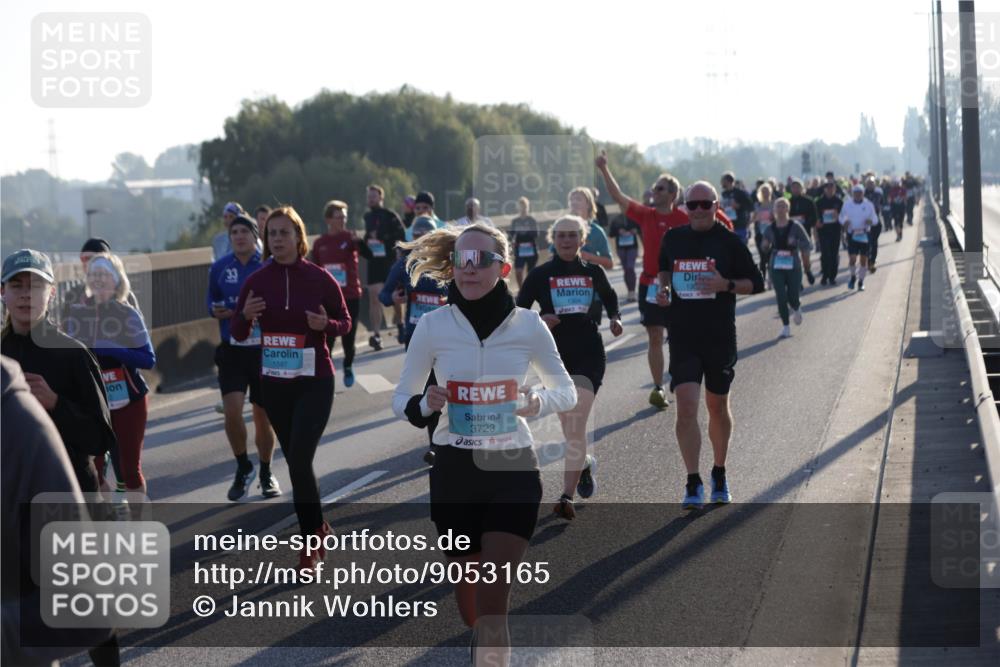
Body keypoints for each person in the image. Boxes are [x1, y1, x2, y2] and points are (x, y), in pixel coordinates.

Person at [392, 223, 576, 665]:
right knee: (471, 600)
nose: (468, 269)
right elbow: (401, 398)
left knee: (494, 600)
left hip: (512, 468)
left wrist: (534, 402)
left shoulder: (528, 326)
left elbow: (565, 391)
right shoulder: (433, 326)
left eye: (480, 261)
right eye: (461, 260)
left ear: (503, 268)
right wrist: (424, 402)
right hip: (455, 471)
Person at [232, 206, 352, 573]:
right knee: (299, 465)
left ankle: (308, 546)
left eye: (285, 232)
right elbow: (237, 333)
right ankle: (317, 525)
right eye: (272, 234)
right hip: (275, 385)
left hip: (315, 381)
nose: (278, 239)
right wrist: (246, 316)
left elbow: (345, 322)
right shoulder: (256, 280)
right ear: (266, 241)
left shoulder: (318, 278)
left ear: (300, 238)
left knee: (299, 459)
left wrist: (325, 323)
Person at [656, 182, 764, 509]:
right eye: (693, 204)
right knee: (686, 406)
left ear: (717, 205)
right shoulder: (673, 238)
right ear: (685, 206)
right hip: (683, 334)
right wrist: (663, 291)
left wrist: (725, 284)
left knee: (716, 406)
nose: (700, 210)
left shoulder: (729, 242)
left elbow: (756, 283)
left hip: (719, 335)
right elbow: (663, 268)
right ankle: (692, 480)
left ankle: (719, 471)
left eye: (706, 204)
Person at [1, 355, 114, 667]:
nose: (26, 300)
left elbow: (100, 436)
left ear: (51, 301)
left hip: (76, 480)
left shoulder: (15, 417)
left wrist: (56, 405)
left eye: (36, 298)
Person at [517, 215, 622, 520]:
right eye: (560, 235)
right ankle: (585, 462)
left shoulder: (593, 271)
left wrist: (614, 318)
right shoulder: (540, 275)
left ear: (582, 239)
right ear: (553, 239)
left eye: (572, 235)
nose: (566, 240)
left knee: (576, 423)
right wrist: (540, 321)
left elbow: (610, 296)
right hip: (554, 359)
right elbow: (520, 311)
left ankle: (566, 496)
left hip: (590, 355)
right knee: (570, 429)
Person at [0, 249, 116, 494]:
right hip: (11, 498)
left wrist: (56, 403)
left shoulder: (74, 353)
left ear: (51, 292)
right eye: (16, 285)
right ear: (2, 292)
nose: (25, 295)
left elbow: (101, 439)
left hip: (70, 493)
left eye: (35, 286)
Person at [596, 149, 686, 409]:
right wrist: (603, 169)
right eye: (654, 188)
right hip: (649, 284)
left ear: (671, 194)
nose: (653, 192)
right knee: (655, 336)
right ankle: (658, 387)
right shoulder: (647, 215)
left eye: (659, 188)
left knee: (679, 336)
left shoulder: (683, 218)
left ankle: (680, 378)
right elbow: (618, 197)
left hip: (679, 286)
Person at [64, 252, 156, 500]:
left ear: (116, 280)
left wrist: (113, 348)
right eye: (93, 274)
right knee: (93, 470)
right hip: (93, 399)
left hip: (130, 400)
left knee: (128, 470)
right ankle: (110, 522)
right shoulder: (77, 315)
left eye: (104, 274)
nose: (98, 279)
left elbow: (148, 359)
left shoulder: (128, 314)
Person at [207, 215, 281, 500]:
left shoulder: (268, 266)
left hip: (263, 350)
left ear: (255, 236)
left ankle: (266, 471)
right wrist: (221, 310)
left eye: (244, 232)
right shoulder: (219, 268)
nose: (239, 236)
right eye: (234, 232)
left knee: (263, 418)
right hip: (232, 350)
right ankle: (243, 466)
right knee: (233, 411)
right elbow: (211, 304)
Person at [381, 217, 449, 465]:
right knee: (426, 390)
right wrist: (395, 297)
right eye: (418, 236)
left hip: (445, 338)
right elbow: (384, 294)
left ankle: (438, 444)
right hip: (416, 337)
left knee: (439, 386)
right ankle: (435, 443)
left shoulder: (447, 264)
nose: (423, 242)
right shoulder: (403, 265)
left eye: (427, 236)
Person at [311, 200, 368, 388]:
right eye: (338, 217)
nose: (343, 220)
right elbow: (315, 270)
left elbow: (369, 255)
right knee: (327, 337)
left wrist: (360, 242)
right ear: (329, 220)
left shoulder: (350, 238)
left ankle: (348, 364)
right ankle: (325, 374)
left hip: (351, 294)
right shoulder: (320, 243)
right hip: (328, 298)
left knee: (348, 337)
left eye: (344, 216)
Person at [363, 185, 406, 350]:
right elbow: (368, 238)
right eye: (369, 197)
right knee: (374, 298)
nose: (371, 199)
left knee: (394, 295)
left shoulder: (390, 216)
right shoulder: (367, 217)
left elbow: (400, 236)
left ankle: (400, 324)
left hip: (389, 261)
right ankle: (376, 334)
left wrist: (383, 238)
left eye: (374, 196)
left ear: (381, 198)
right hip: (374, 262)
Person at [760, 198, 812, 338]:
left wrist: (796, 243)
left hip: (793, 263)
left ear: (788, 209)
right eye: (778, 206)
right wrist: (765, 246)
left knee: (792, 295)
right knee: (781, 296)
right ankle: (785, 326)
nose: (781, 209)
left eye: (783, 206)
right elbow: (764, 246)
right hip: (776, 264)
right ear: (774, 210)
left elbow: (807, 243)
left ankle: (796, 306)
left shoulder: (795, 226)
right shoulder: (770, 228)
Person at [839, 184, 877, 291]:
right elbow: (841, 217)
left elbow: (875, 219)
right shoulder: (847, 204)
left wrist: (871, 221)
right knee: (852, 258)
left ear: (863, 194)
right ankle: (852, 277)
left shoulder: (868, 204)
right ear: (852, 194)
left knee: (863, 260)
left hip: (864, 234)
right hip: (852, 234)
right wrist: (844, 222)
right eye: (855, 193)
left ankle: (861, 282)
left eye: (860, 193)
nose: (858, 195)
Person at [788, 180, 818, 285]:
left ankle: (808, 270)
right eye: (793, 187)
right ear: (791, 189)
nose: (795, 189)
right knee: (795, 259)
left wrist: (806, 222)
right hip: (791, 234)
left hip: (805, 233)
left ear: (802, 188)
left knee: (805, 257)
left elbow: (814, 217)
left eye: (798, 187)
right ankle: (798, 281)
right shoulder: (788, 202)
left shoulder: (809, 201)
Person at [815, 180, 845, 285]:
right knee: (825, 254)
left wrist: (839, 218)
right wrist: (817, 222)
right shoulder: (819, 202)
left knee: (834, 253)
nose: (830, 190)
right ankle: (825, 275)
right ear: (824, 189)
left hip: (835, 230)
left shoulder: (839, 201)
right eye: (828, 188)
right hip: (823, 231)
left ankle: (832, 276)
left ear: (835, 189)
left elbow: (844, 216)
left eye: (832, 188)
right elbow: (816, 216)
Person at [608, 212, 642, 302]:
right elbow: (611, 234)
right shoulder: (616, 219)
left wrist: (636, 230)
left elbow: (641, 228)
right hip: (621, 248)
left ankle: (632, 292)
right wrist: (619, 231)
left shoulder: (635, 218)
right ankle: (629, 291)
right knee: (626, 269)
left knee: (630, 267)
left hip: (632, 247)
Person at [509, 196, 539, 288]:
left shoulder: (532, 220)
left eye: (525, 206)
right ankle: (521, 289)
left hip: (531, 249)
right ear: (518, 208)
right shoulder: (515, 221)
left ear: (528, 207)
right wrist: (512, 243)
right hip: (519, 249)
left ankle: (530, 289)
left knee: (531, 272)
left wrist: (526, 231)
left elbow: (536, 234)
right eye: (521, 206)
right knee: (518, 271)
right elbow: (511, 235)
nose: (523, 209)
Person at [751, 183, 775, 287]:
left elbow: (778, 218)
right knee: (762, 258)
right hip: (760, 234)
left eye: (767, 191)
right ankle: (762, 280)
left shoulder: (774, 204)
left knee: (770, 258)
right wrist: (755, 218)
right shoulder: (757, 205)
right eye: (763, 191)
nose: (765, 193)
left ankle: (771, 280)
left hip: (771, 235)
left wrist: (773, 218)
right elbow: (753, 219)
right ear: (760, 193)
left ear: (770, 192)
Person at [721, 172, 754, 245]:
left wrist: (739, 206)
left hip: (740, 225)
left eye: (723, 181)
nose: (721, 183)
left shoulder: (740, 193)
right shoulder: (724, 194)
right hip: (728, 225)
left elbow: (751, 206)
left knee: (741, 248)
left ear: (728, 181)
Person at [864, 178, 884, 273]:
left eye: (872, 183)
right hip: (865, 223)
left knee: (874, 243)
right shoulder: (862, 195)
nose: (870, 185)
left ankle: (872, 261)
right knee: (868, 243)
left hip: (876, 222)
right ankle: (869, 262)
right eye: (869, 184)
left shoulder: (878, 194)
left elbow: (880, 204)